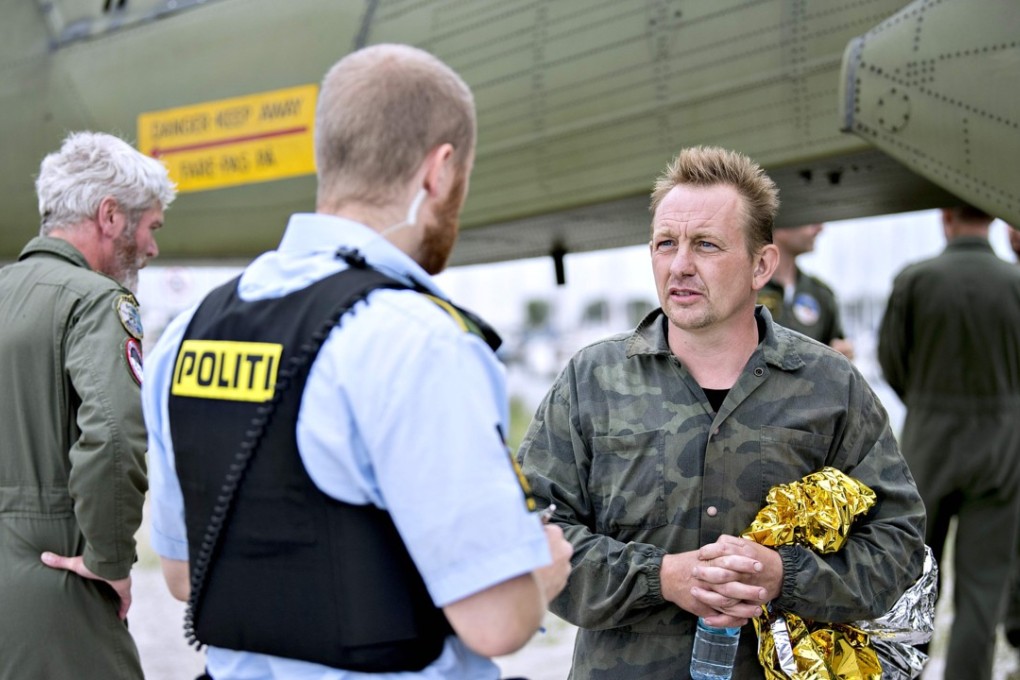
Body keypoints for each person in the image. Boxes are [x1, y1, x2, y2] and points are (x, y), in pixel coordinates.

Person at [143, 43, 573, 680]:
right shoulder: (418, 340)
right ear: (440, 171)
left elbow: (183, 574)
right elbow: (496, 622)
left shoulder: (187, 332)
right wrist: (544, 567)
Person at [518, 146, 926, 679]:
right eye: (666, 244)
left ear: (762, 265)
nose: (680, 265)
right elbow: (530, 534)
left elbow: (898, 544)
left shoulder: (830, 387)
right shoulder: (593, 380)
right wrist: (659, 577)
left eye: (706, 245)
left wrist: (785, 575)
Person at [0, 131, 175, 679]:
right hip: (57, 584)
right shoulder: (98, 301)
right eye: (150, 227)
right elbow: (115, 436)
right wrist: (110, 561)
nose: (152, 249)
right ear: (110, 216)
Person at [878, 205, 1020, 680]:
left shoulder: (916, 280)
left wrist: (924, 401)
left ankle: (901, 673)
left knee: (910, 584)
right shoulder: (1014, 281)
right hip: (1002, 447)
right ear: (996, 220)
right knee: (983, 591)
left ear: (945, 218)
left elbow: (891, 358)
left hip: (928, 444)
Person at [756, 222, 854, 359]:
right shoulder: (745, 289)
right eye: (810, 220)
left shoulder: (821, 293)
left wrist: (841, 354)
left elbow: (835, 346)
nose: (820, 228)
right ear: (782, 222)